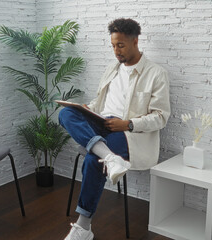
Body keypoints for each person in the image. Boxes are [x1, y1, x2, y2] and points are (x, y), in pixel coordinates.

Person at [59, 18, 170, 240]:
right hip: (101, 123)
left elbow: (161, 117)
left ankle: (83, 227)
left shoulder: (156, 73)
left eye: (120, 45)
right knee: (65, 113)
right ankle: (109, 156)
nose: (116, 51)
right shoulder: (112, 69)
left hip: (128, 133)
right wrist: (87, 109)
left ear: (135, 41)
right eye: (112, 45)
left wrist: (127, 123)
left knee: (93, 160)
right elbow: (100, 102)